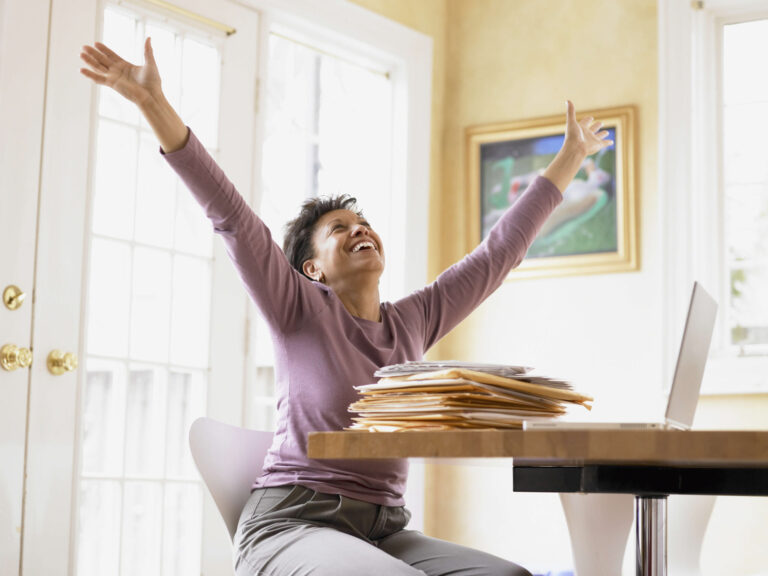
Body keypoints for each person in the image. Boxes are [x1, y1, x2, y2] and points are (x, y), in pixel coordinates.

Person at [80, 37, 612, 576]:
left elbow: (498, 254)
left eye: (363, 224)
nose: (360, 229)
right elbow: (232, 217)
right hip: (291, 523)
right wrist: (152, 103)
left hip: (384, 530)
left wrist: (569, 157)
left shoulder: (414, 319)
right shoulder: (297, 306)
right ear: (313, 269)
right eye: (339, 230)